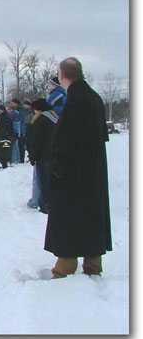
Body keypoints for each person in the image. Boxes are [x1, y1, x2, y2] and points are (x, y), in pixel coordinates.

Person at [45, 57, 111, 279]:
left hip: (73, 174)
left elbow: (66, 141)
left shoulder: (76, 101)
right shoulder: (93, 98)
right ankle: (92, 264)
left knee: (69, 217)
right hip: (93, 171)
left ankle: (64, 267)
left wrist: (58, 168)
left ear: (62, 75)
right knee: (91, 216)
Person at [26, 99, 58, 214]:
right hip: (55, 155)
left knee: (43, 182)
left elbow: (36, 141)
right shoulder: (55, 119)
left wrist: (32, 156)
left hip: (43, 156)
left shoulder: (40, 121)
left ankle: (45, 205)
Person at [12, 98, 28, 163]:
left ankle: (21, 159)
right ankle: (20, 158)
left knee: (21, 145)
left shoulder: (20, 110)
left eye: (13, 103)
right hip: (20, 129)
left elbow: (20, 120)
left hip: (21, 130)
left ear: (16, 103)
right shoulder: (18, 109)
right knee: (19, 145)